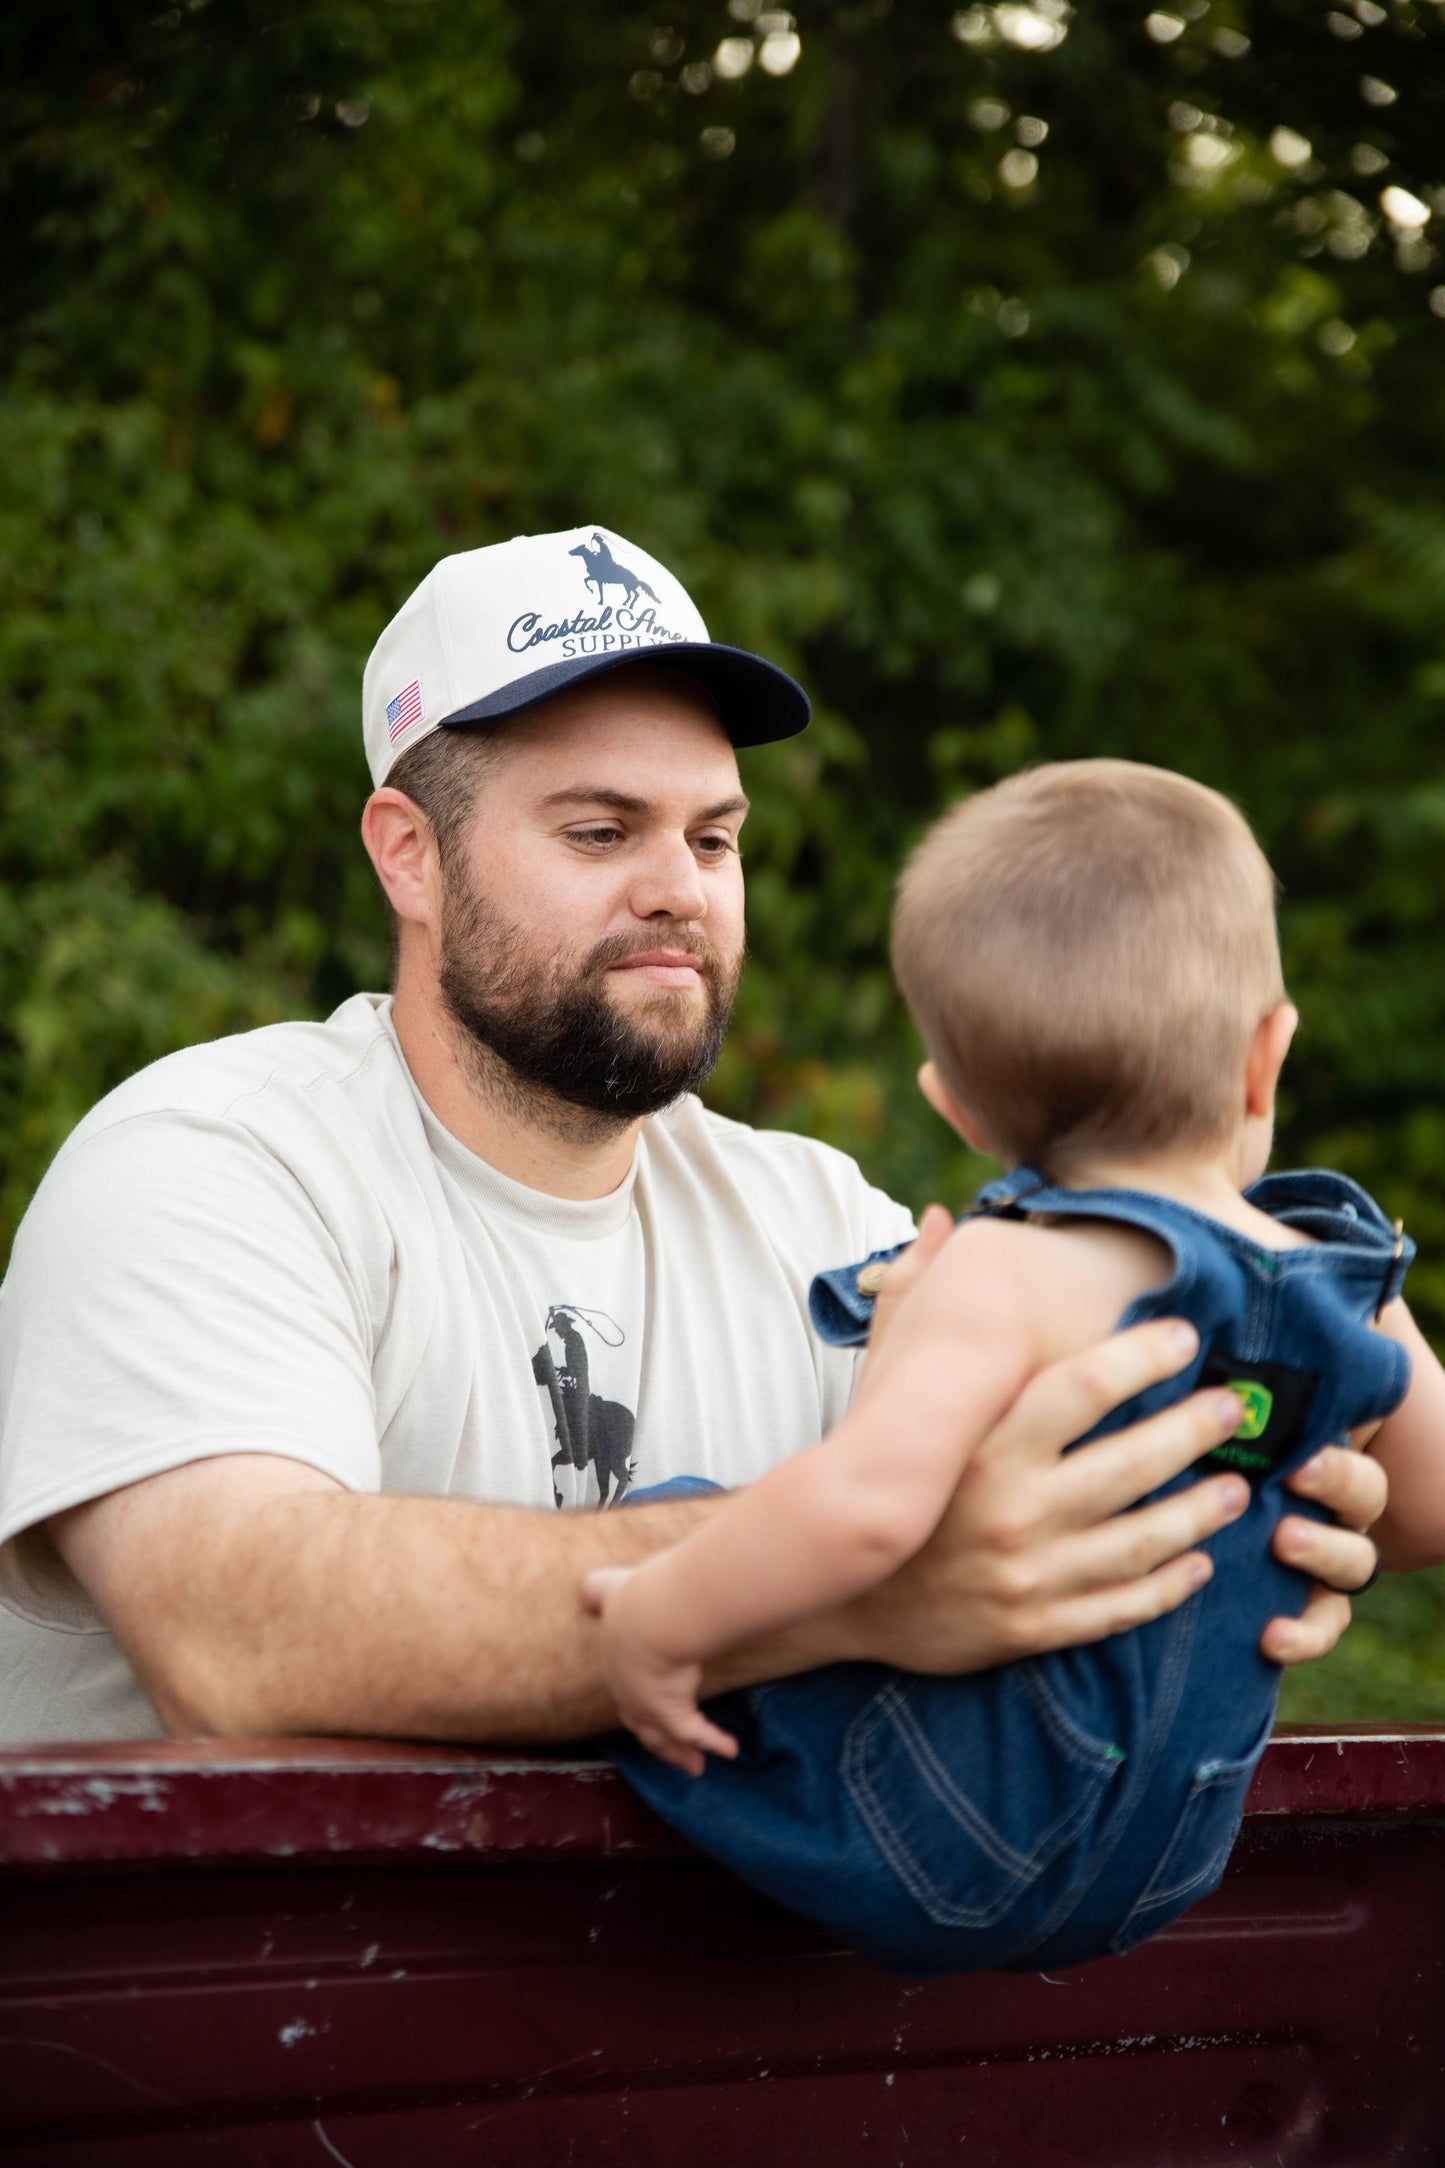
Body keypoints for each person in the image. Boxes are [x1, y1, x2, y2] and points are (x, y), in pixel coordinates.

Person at [0, 532, 1384, 1750]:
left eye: (713, 840)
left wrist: (1225, 1508)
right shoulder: (211, 1161)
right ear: (407, 854)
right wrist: (862, 1581)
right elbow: (245, 1639)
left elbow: (1056, 1503)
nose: (678, 890)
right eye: (601, 830)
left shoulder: (820, 1221)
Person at [586, 761, 1445, 1975]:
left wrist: (658, 1619)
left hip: (950, 1832)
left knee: (670, 1521)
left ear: (958, 1110)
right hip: (1180, 1853)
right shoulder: (1345, 1278)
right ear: (1266, 1056)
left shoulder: (999, 1269)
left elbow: (865, 1507)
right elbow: (1427, 1507)